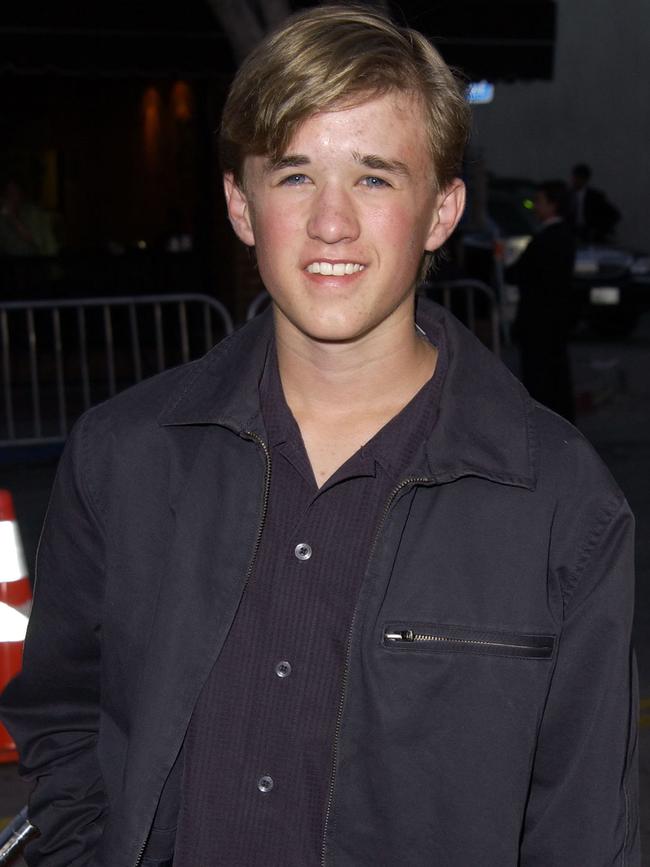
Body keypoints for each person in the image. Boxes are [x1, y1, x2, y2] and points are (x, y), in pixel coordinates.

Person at [0, 6, 639, 866]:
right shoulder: (124, 455)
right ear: (239, 202)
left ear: (442, 210)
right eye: (294, 175)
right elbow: (63, 717)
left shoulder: (562, 503)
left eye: (375, 178)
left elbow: (585, 826)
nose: (330, 222)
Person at [507, 180, 577, 422]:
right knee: (555, 375)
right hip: (553, 320)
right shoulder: (562, 236)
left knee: (542, 378)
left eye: (539, 201)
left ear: (552, 205)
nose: (535, 207)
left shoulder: (548, 239)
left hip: (539, 321)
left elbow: (521, 273)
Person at [570, 162, 620, 243]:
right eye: (574, 177)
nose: (575, 180)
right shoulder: (568, 195)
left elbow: (614, 214)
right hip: (573, 231)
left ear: (585, 179)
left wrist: (600, 229)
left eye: (579, 178)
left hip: (590, 231)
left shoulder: (595, 196)